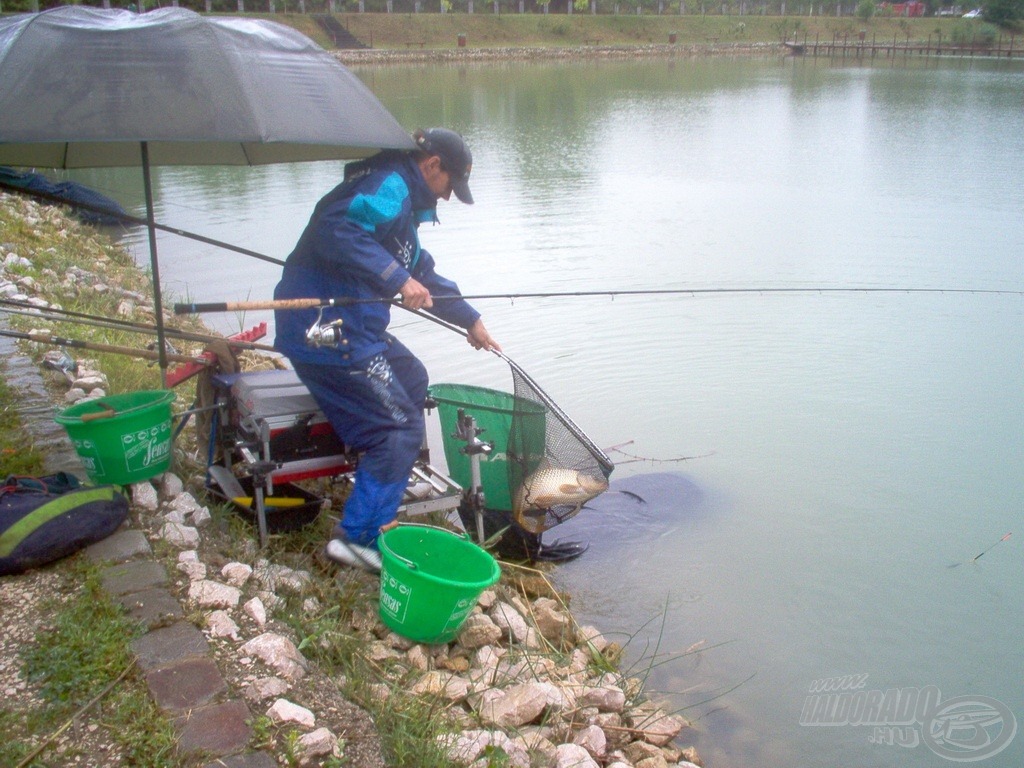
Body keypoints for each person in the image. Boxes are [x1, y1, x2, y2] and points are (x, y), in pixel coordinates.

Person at [273, 128, 500, 572]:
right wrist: (395, 279)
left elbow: (422, 272)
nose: (449, 197)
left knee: (412, 378)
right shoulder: (389, 184)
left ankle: (379, 485)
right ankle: (354, 537)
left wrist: (469, 319)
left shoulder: (404, 211)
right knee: (400, 428)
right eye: (450, 185)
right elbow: (335, 228)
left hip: (358, 328)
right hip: (325, 328)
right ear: (432, 165)